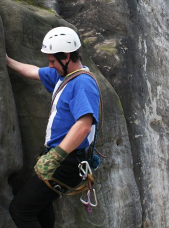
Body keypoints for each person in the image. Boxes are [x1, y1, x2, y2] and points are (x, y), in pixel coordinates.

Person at [6, 26, 100, 228]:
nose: (50, 66)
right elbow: (32, 71)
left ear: (66, 57)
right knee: (40, 206)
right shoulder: (63, 77)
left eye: (52, 61)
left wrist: (55, 157)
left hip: (66, 161)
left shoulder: (82, 83)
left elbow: (84, 125)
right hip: (63, 158)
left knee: (20, 210)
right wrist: (6, 60)